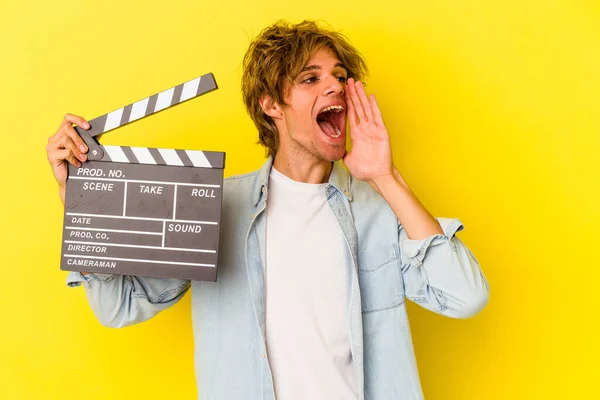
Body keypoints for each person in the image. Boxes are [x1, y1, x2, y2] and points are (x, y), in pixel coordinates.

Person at [46, 20, 489, 400]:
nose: (334, 85)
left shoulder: (379, 208)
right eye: (310, 78)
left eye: (339, 76)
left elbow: (466, 296)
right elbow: (119, 306)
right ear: (270, 104)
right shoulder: (216, 208)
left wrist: (386, 176)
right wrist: (84, 198)